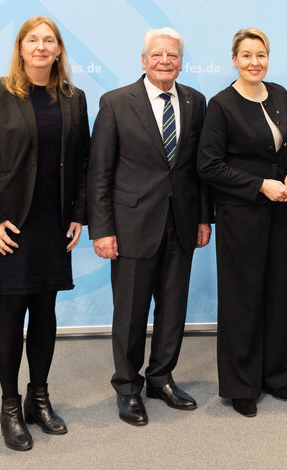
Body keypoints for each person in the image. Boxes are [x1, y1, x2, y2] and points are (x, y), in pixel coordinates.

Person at [0, 16, 89, 451]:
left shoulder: (75, 98)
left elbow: (82, 164)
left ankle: (40, 397)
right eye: (32, 40)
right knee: (11, 310)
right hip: (10, 223)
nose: (40, 47)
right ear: (20, 49)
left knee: (45, 309)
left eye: (48, 40)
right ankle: (11, 406)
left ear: (58, 50)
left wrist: (79, 213)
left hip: (53, 223)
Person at [87, 27, 212, 426]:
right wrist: (102, 229)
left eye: (172, 56)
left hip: (182, 222)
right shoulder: (116, 102)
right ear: (143, 61)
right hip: (130, 225)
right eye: (156, 55)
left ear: (180, 61)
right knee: (130, 312)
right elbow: (99, 172)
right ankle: (127, 387)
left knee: (173, 308)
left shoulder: (195, 101)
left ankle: (161, 377)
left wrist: (203, 217)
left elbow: (199, 169)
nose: (164, 61)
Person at [197, 27, 287, 418]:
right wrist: (260, 186)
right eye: (247, 55)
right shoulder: (221, 105)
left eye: (261, 55)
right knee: (243, 299)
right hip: (241, 213)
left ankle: (275, 375)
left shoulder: (281, 95)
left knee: (276, 292)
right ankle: (241, 384)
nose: (255, 62)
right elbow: (208, 165)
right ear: (234, 59)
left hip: (278, 209)